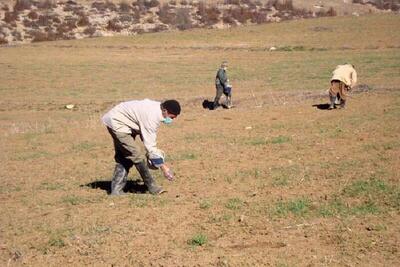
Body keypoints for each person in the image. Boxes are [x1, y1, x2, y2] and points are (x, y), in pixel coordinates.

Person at [102, 99, 181, 195]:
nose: (171, 120)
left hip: (126, 123)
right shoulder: (152, 117)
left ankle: (116, 190)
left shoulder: (157, 109)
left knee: (125, 155)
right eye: (171, 117)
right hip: (117, 122)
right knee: (137, 155)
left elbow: (145, 137)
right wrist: (164, 168)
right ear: (165, 110)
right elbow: (150, 147)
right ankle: (152, 186)